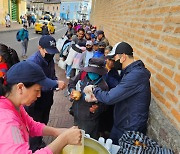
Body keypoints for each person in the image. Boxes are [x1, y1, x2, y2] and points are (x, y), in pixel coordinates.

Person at [0, 60, 82, 153]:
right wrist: (64, 139)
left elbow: (31, 125)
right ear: (20, 87)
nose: (39, 95)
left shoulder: (15, 105)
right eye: (37, 90)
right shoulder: (7, 121)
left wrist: (58, 132)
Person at [84, 42, 151, 145]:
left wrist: (94, 89)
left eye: (115, 58)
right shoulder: (129, 72)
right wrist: (97, 97)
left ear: (123, 57)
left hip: (130, 128)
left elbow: (110, 97)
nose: (114, 61)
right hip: (122, 123)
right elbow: (119, 93)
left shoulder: (136, 75)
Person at [25, 35, 66, 151]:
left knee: (43, 122)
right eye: (48, 52)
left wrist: (55, 81)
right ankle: (34, 148)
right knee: (35, 125)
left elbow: (52, 75)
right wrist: (55, 84)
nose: (51, 54)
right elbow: (35, 85)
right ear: (40, 48)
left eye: (53, 52)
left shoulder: (49, 59)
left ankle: (38, 141)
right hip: (35, 103)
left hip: (47, 99)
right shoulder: (33, 63)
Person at [68, 58, 109, 139]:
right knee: (76, 135)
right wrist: (72, 91)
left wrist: (97, 108)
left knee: (87, 138)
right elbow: (71, 82)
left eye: (94, 72)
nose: (91, 74)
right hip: (77, 113)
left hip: (90, 119)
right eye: (90, 71)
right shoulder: (82, 75)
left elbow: (105, 105)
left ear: (100, 73)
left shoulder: (103, 86)